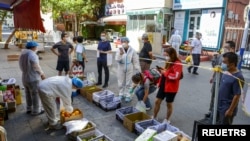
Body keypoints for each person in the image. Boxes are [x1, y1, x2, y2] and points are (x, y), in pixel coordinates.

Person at [205, 41, 241, 118]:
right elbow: (217, 67)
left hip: (227, 81)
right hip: (217, 78)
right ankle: (212, 111)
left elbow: (229, 67)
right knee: (214, 95)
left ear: (232, 48)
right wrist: (212, 76)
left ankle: (219, 112)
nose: (224, 49)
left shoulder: (236, 57)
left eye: (226, 47)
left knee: (223, 96)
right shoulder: (221, 56)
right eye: (224, 47)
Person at [153, 47, 183, 123]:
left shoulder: (178, 63)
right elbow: (167, 71)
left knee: (169, 104)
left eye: (167, 55)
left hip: (171, 87)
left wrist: (165, 73)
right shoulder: (169, 61)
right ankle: (154, 116)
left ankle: (167, 119)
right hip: (163, 84)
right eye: (165, 55)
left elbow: (176, 76)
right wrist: (162, 70)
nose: (166, 57)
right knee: (157, 101)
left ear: (172, 54)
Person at [217, 52, 244, 125]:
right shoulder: (226, 72)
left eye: (225, 62)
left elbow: (237, 95)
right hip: (220, 105)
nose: (223, 64)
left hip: (227, 108)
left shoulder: (238, 77)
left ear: (232, 64)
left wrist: (230, 110)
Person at [19, 41, 45, 115]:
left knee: (27, 93)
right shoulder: (32, 54)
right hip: (33, 77)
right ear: (33, 47)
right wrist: (42, 74)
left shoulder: (22, 54)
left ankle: (29, 108)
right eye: (36, 47)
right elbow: (36, 66)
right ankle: (36, 110)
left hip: (24, 77)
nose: (36, 48)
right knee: (35, 94)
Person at [115, 37, 141, 102]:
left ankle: (128, 95)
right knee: (120, 82)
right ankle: (121, 94)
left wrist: (138, 69)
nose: (123, 43)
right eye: (122, 42)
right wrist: (120, 55)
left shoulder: (132, 50)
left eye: (125, 42)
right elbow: (117, 59)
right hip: (121, 67)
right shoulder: (119, 50)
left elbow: (135, 61)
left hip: (129, 67)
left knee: (128, 83)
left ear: (127, 42)